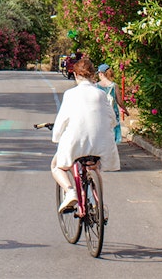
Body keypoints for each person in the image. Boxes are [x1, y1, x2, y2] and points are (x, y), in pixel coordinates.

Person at [51, 57, 120, 212]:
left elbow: (61, 121)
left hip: (76, 141)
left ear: (76, 76)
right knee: (94, 167)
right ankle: (98, 204)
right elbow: (113, 120)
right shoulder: (101, 95)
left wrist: (56, 137)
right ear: (93, 75)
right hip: (101, 142)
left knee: (57, 166)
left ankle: (70, 192)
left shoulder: (70, 94)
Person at [96, 63, 128, 144]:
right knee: (112, 131)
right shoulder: (114, 86)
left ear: (101, 74)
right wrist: (125, 111)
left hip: (100, 112)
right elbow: (119, 101)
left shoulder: (96, 86)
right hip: (112, 112)